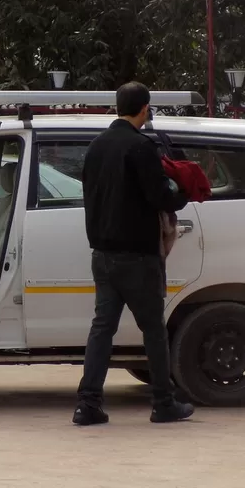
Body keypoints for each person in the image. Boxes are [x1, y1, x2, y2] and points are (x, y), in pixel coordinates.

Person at [73, 81, 196, 425]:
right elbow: (160, 197)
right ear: (144, 108)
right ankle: (163, 403)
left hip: (102, 255)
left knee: (102, 330)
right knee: (154, 331)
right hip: (138, 257)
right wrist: (183, 193)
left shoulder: (95, 147)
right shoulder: (141, 148)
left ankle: (88, 404)